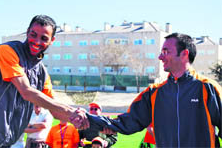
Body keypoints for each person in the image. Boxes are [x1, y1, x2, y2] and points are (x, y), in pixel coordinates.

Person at [0, 15, 88, 147]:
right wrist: (69, 112)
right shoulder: (7, 51)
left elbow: (55, 111)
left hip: (1, 140)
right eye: (33, 34)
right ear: (27, 32)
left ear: (52, 40)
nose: (37, 41)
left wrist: (86, 119)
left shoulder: (42, 74)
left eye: (44, 38)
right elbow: (26, 91)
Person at [87, 33, 222, 147]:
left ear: (184, 54)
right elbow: (127, 122)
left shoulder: (207, 88)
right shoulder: (154, 93)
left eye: (165, 52)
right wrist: (86, 117)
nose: (160, 57)